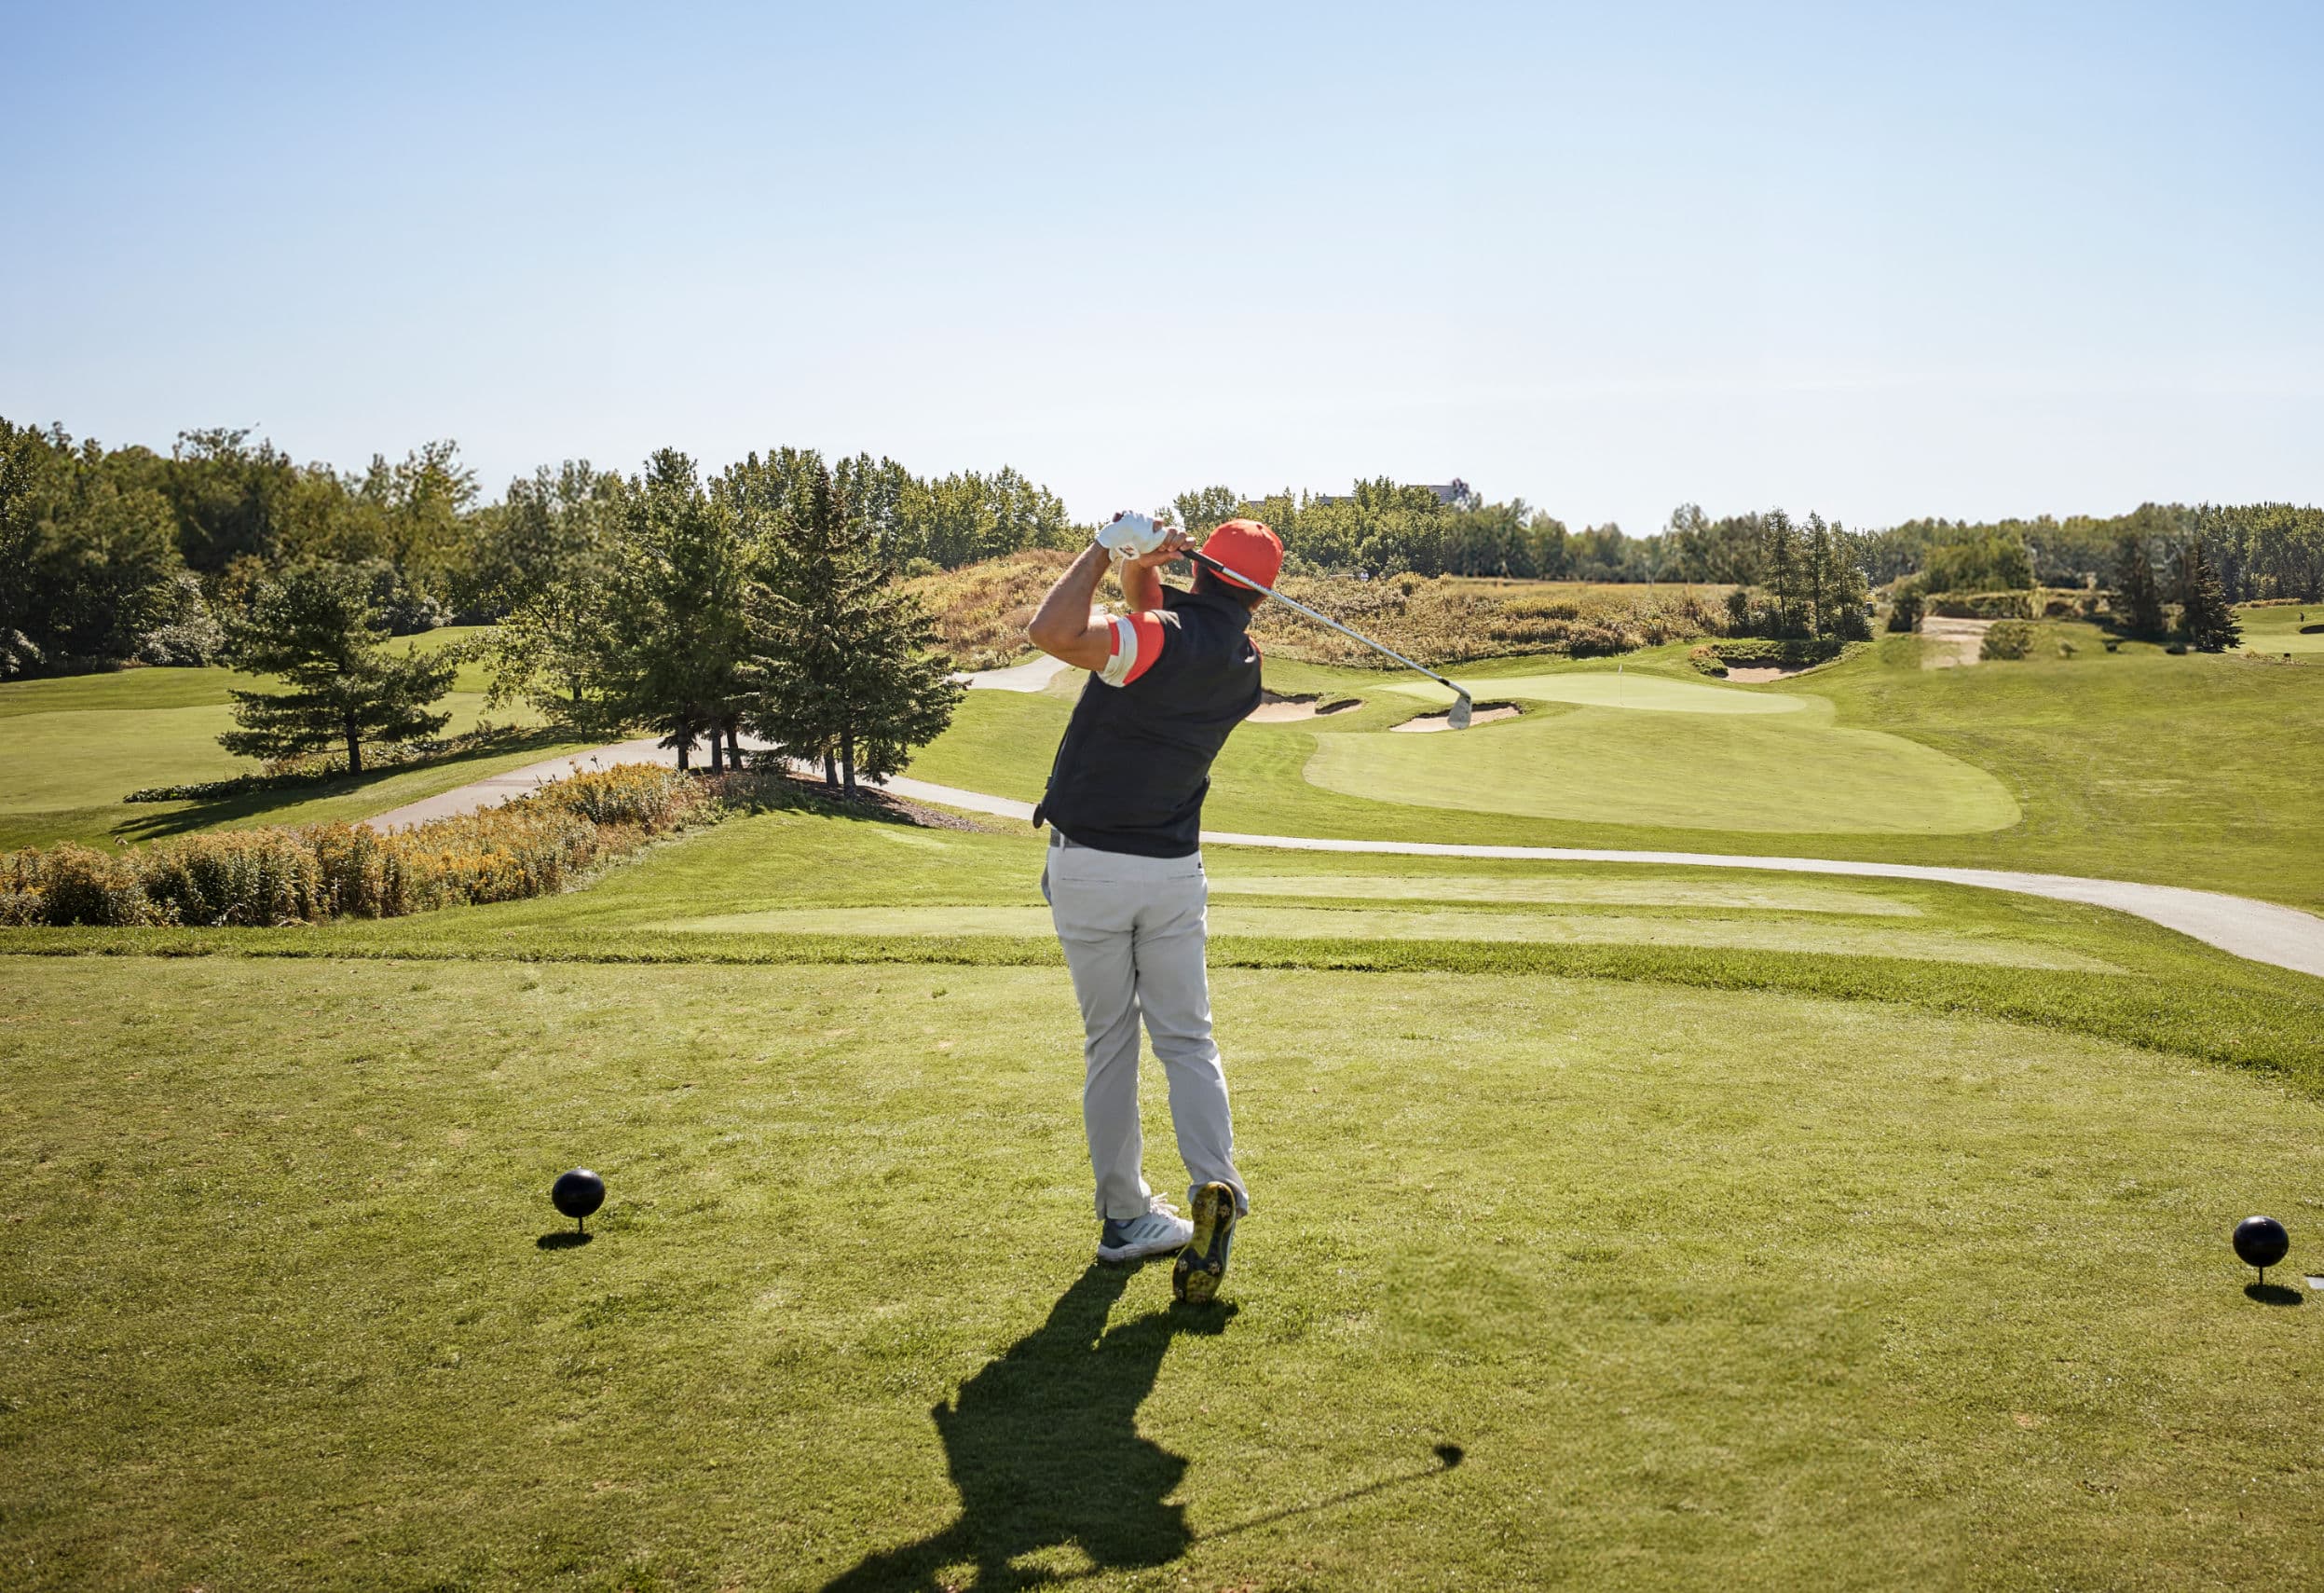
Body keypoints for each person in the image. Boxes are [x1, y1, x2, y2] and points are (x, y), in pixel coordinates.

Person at [1023, 512, 1282, 1303]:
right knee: (1188, 1040)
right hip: (1171, 872)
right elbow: (1155, 623)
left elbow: (1052, 632)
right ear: (1260, 601)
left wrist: (1107, 548)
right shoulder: (1243, 663)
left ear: (1198, 567)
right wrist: (1145, 566)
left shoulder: (1158, 641)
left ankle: (1126, 1219)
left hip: (1092, 867)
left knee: (1111, 1044)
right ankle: (1216, 1184)